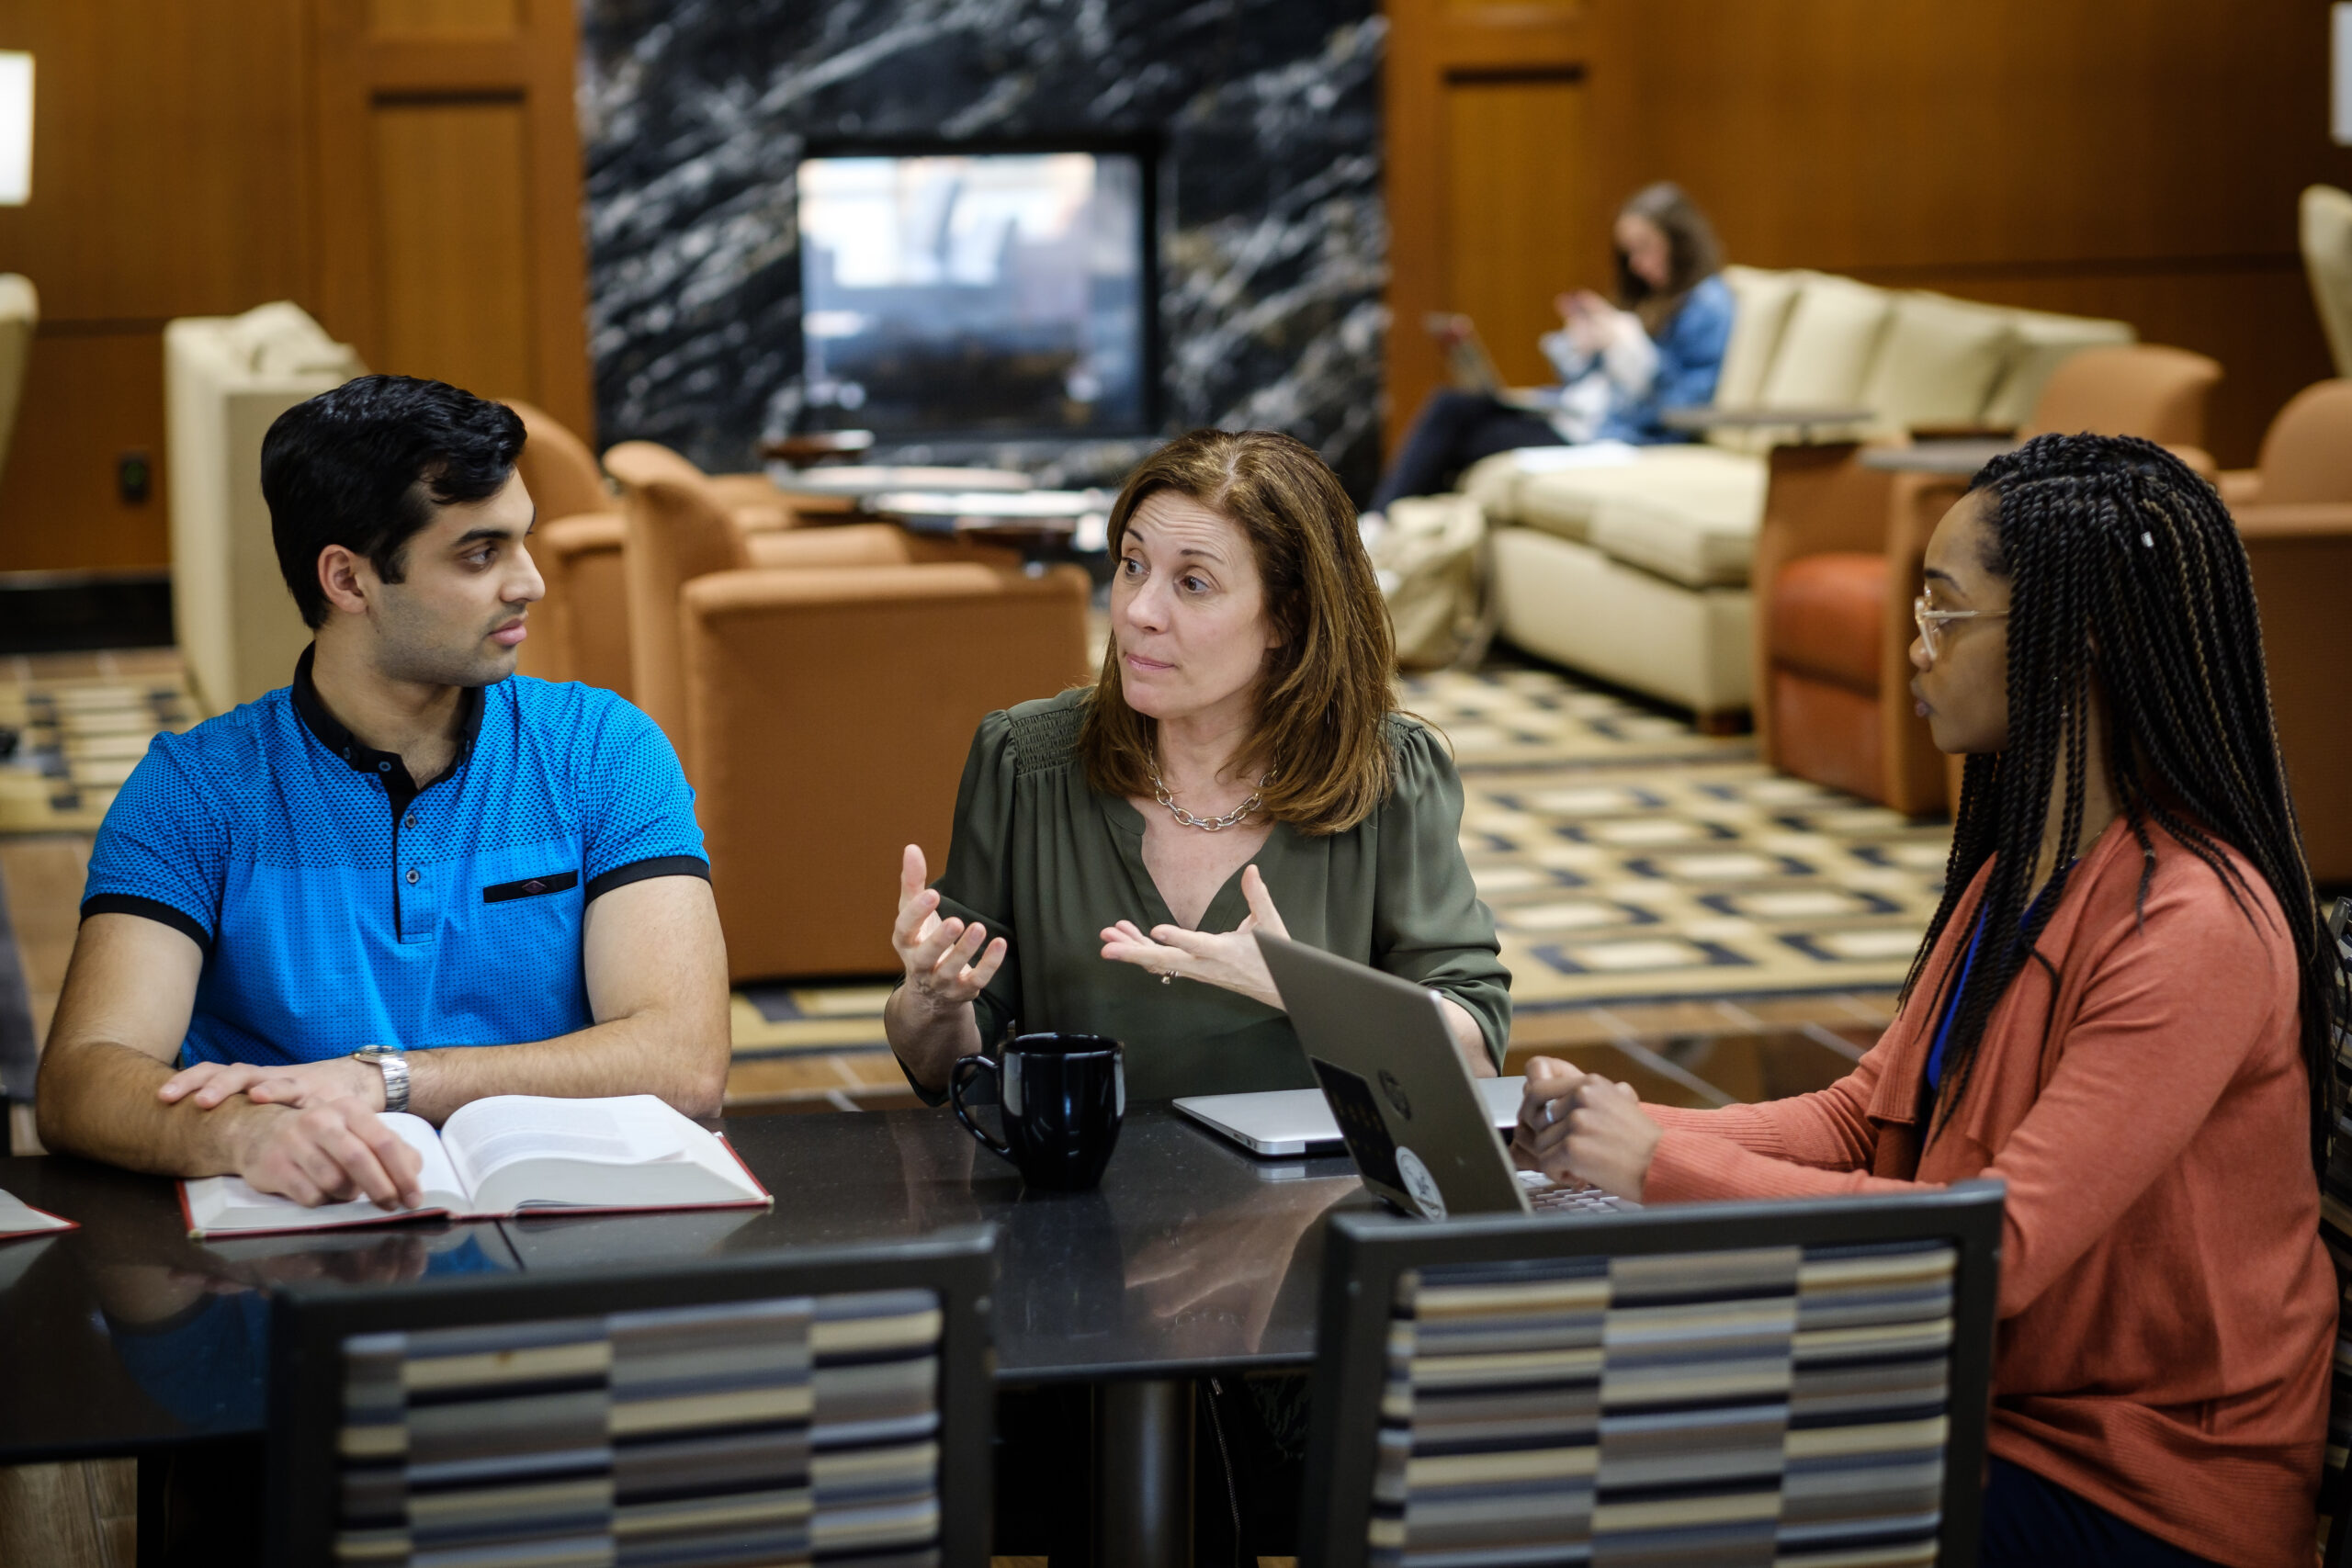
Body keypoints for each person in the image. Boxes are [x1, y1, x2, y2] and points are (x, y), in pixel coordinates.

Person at [1513, 434, 2340, 1568]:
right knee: (1580, 1429)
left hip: (2138, 1498)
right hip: (1981, 1413)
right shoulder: (2026, 868)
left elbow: (1994, 1245)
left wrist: (1651, 1163)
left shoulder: (2191, 926)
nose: (1912, 645)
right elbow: (1868, 1117)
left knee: (1627, 1488)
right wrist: (1604, 1136)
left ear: (2074, 641)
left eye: (1943, 614)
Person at [36, 375, 730, 1209]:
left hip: (558, 1257)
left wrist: (386, 1081)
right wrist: (242, 1132)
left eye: (524, 541)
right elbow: (82, 1078)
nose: (529, 582)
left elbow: (685, 1060)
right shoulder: (194, 789)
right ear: (349, 580)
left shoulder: (603, 749)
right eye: (481, 553)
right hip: (290, 1261)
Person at [885, 426, 1510, 1105]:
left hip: (1317, 1198)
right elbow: (938, 1067)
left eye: (1193, 582)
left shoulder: (1386, 775)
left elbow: (1476, 1056)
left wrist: (1309, 991)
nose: (1139, 612)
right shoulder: (1026, 761)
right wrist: (929, 1000)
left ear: (1287, 618)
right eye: (1132, 565)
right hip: (1082, 1198)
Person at [1367, 181, 1735, 515]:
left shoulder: (1707, 303)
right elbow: (1595, 387)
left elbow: (1687, 408)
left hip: (1617, 437)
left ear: (1680, 242)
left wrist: (1632, 349)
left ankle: (1376, 536)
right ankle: (1388, 541)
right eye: (1628, 254)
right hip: (1578, 416)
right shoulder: (1649, 298)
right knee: (1455, 407)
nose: (1637, 265)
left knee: (1456, 430)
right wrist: (1585, 346)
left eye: (1645, 248)